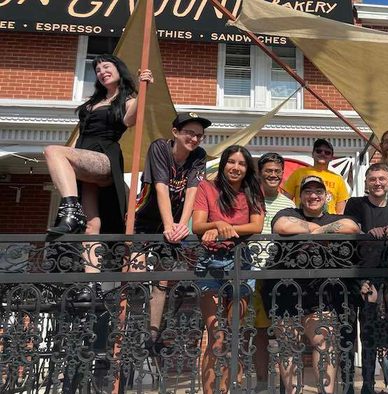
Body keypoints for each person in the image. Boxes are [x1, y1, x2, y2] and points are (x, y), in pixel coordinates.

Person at [267, 175, 360, 393]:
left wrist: (316, 230)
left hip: (322, 293)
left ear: (326, 196)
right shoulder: (288, 213)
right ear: (301, 196)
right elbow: (280, 226)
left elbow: (351, 226)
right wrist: (315, 228)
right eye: (308, 191)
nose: (313, 195)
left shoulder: (336, 216)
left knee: (324, 344)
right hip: (287, 290)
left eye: (318, 191)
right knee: (288, 346)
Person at [44, 54, 152, 236]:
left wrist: (144, 89)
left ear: (119, 69)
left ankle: (71, 210)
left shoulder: (128, 101)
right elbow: (80, 133)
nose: (102, 72)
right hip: (83, 154)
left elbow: (130, 120)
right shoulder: (92, 102)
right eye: (98, 70)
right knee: (91, 225)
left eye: (107, 67)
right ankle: (91, 265)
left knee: (52, 150)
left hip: (104, 156)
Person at [131, 112, 209, 349]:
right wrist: (168, 226)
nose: (194, 139)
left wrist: (180, 227)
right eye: (189, 133)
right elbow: (161, 188)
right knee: (136, 275)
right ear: (175, 132)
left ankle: (153, 336)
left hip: (172, 222)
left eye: (199, 135)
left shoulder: (199, 156)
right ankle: (130, 332)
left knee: (162, 278)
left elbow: (192, 193)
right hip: (145, 219)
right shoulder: (160, 148)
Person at [192, 145, 265, 394]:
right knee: (216, 336)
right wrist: (217, 223)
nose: (235, 167)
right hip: (210, 262)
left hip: (240, 262)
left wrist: (224, 230)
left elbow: (256, 225)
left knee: (235, 334)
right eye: (231, 162)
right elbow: (198, 225)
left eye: (241, 164)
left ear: (247, 169)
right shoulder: (207, 187)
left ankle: (230, 389)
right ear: (223, 164)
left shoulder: (252, 191)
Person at [343, 163, 388, 393]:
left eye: (382, 179)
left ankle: (368, 384)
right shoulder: (356, 204)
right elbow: (350, 231)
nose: (377, 183)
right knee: (348, 334)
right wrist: (368, 234)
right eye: (373, 179)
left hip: (378, 281)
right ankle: (348, 384)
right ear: (367, 182)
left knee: (370, 334)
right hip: (354, 277)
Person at [250, 152, 295, 390]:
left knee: (284, 332)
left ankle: (285, 386)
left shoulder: (288, 204)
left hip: (279, 274)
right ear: (259, 172)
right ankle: (261, 383)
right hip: (253, 272)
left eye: (278, 171)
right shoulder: (248, 199)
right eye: (269, 170)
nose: (273, 175)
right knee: (258, 332)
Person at [283, 139, 350, 214]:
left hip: (329, 222)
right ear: (313, 154)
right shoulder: (298, 173)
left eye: (327, 152)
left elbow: (341, 210)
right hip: (302, 219)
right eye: (319, 151)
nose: (323, 154)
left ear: (331, 157)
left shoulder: (338, 179)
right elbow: (285, 201)